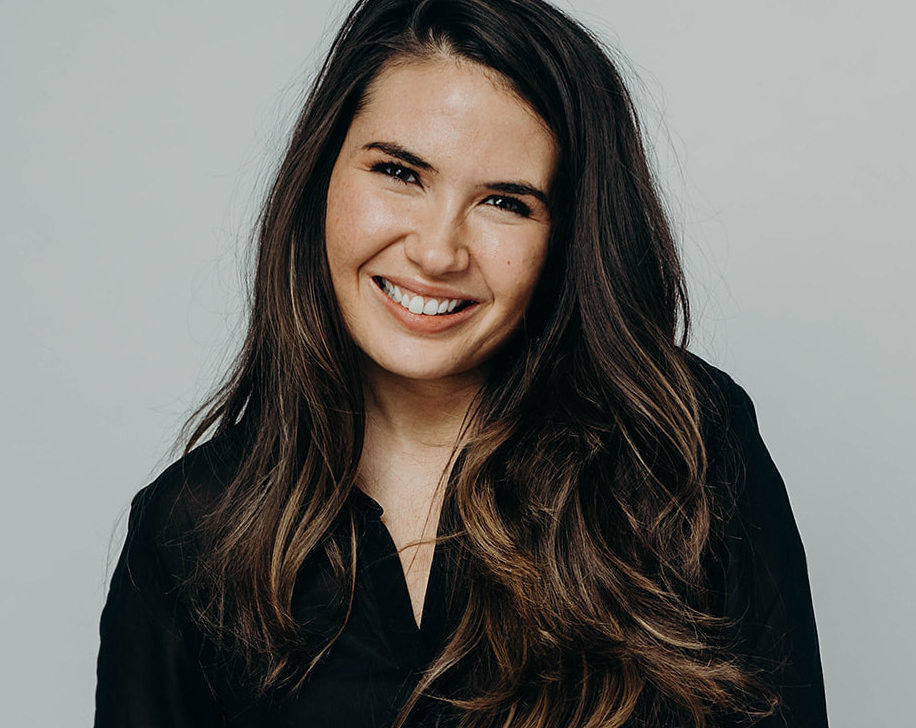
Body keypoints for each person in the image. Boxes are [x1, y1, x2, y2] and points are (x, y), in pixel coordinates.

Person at [93, 0, 828, 726]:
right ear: (323, 176)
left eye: (506, 202)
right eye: (400, 173)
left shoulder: (682, 452)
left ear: (564, 241)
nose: (438, 251)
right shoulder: (187, 531)